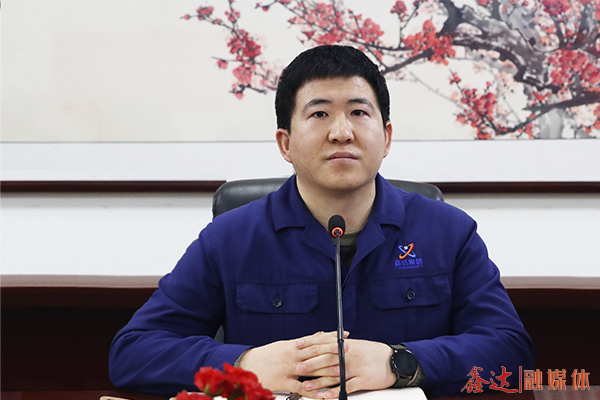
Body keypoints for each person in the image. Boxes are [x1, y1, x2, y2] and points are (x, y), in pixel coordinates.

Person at [109, 45, 534, 398]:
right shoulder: (230, 239)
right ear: (285, 143)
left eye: (359, 112)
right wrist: (246, 363)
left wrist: (401, 362)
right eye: (319, 114)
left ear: (386, 137)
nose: (341, 132)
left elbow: (511, 352)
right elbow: (134, 352)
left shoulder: (449, 232)